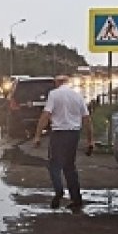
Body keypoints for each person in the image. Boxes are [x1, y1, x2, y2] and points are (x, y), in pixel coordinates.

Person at [32, 75, 94, 210]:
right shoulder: (77, 96)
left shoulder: (54, 94)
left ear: (57, 83)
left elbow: (46, 115)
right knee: (70, 166)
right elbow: (87, 119)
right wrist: (90, 141)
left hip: (59, 133)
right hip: (74, 134)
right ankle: (76, 199)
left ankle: (59, 190)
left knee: (54, 165)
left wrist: (37, 136)